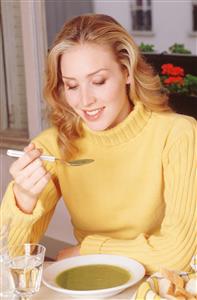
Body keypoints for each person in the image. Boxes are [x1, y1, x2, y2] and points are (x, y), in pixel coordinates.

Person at [1, 14, 196, 275]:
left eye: (98, 81)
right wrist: (23, 201)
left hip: (162, 287)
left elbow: (176, 255)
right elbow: (9, 260)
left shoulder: (179, 134)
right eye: (71, 85)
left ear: (126, 71)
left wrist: (88, 249)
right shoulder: (51, 147)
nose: (84, 100)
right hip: (90, 284)